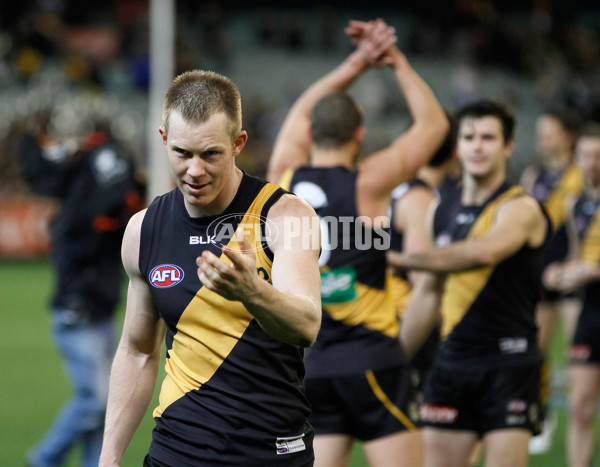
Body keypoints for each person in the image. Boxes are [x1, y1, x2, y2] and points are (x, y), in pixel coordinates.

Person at [99, 69, 322, 467]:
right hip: (175, 453)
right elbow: (137, 352)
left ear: (238, 144)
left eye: (210, 154)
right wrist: (110, 456)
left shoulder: (285, 216)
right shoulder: (143, 229)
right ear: (164, 139)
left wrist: (252, 291)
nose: (195, 171)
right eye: (182, 153)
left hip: (270, 454)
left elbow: (306, 325)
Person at [267, 19, 449, 467]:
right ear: (360, 135)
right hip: (371, 357)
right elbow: (433, 125)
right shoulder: (370, 181)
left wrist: (355, 64)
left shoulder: (284, 175)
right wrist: (395, 62)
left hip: (312, 363)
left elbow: (298, 116)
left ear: (311, 134)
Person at [389, 100, 552, 467]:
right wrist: (391, 359)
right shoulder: (439, 209)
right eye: (469, 137)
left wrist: (402, 259)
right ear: (457, 147)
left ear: (508, 146)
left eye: (488, 137)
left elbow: (484, 252)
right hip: (451, 365)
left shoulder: (519, 207)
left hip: (509, 367)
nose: (477, 146)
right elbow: (428, 293)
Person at [17, 115, 145, 467]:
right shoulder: (88, 206)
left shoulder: (79, 195)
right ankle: (44, 458)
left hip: (98, 309)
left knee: (104, 404)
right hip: (78, 311)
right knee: (96, 399)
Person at [519, 106, 585, 454]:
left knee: (578, 353)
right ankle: (541, 416)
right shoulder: (534, 175)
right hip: (542, 274)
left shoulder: (582, 174)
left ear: (568, 136)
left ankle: (579, 415)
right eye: (540, 130)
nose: (542, 136)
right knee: (538, 349)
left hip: (575, 276)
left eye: (550, 130)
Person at [542, 122, 600, 467]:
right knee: (580, 406)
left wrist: (590, 271)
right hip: (591, 311)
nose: (591, 163)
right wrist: (561, 271)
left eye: (597, 156)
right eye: (586, 156)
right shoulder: (575, 203)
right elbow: (577, 256)